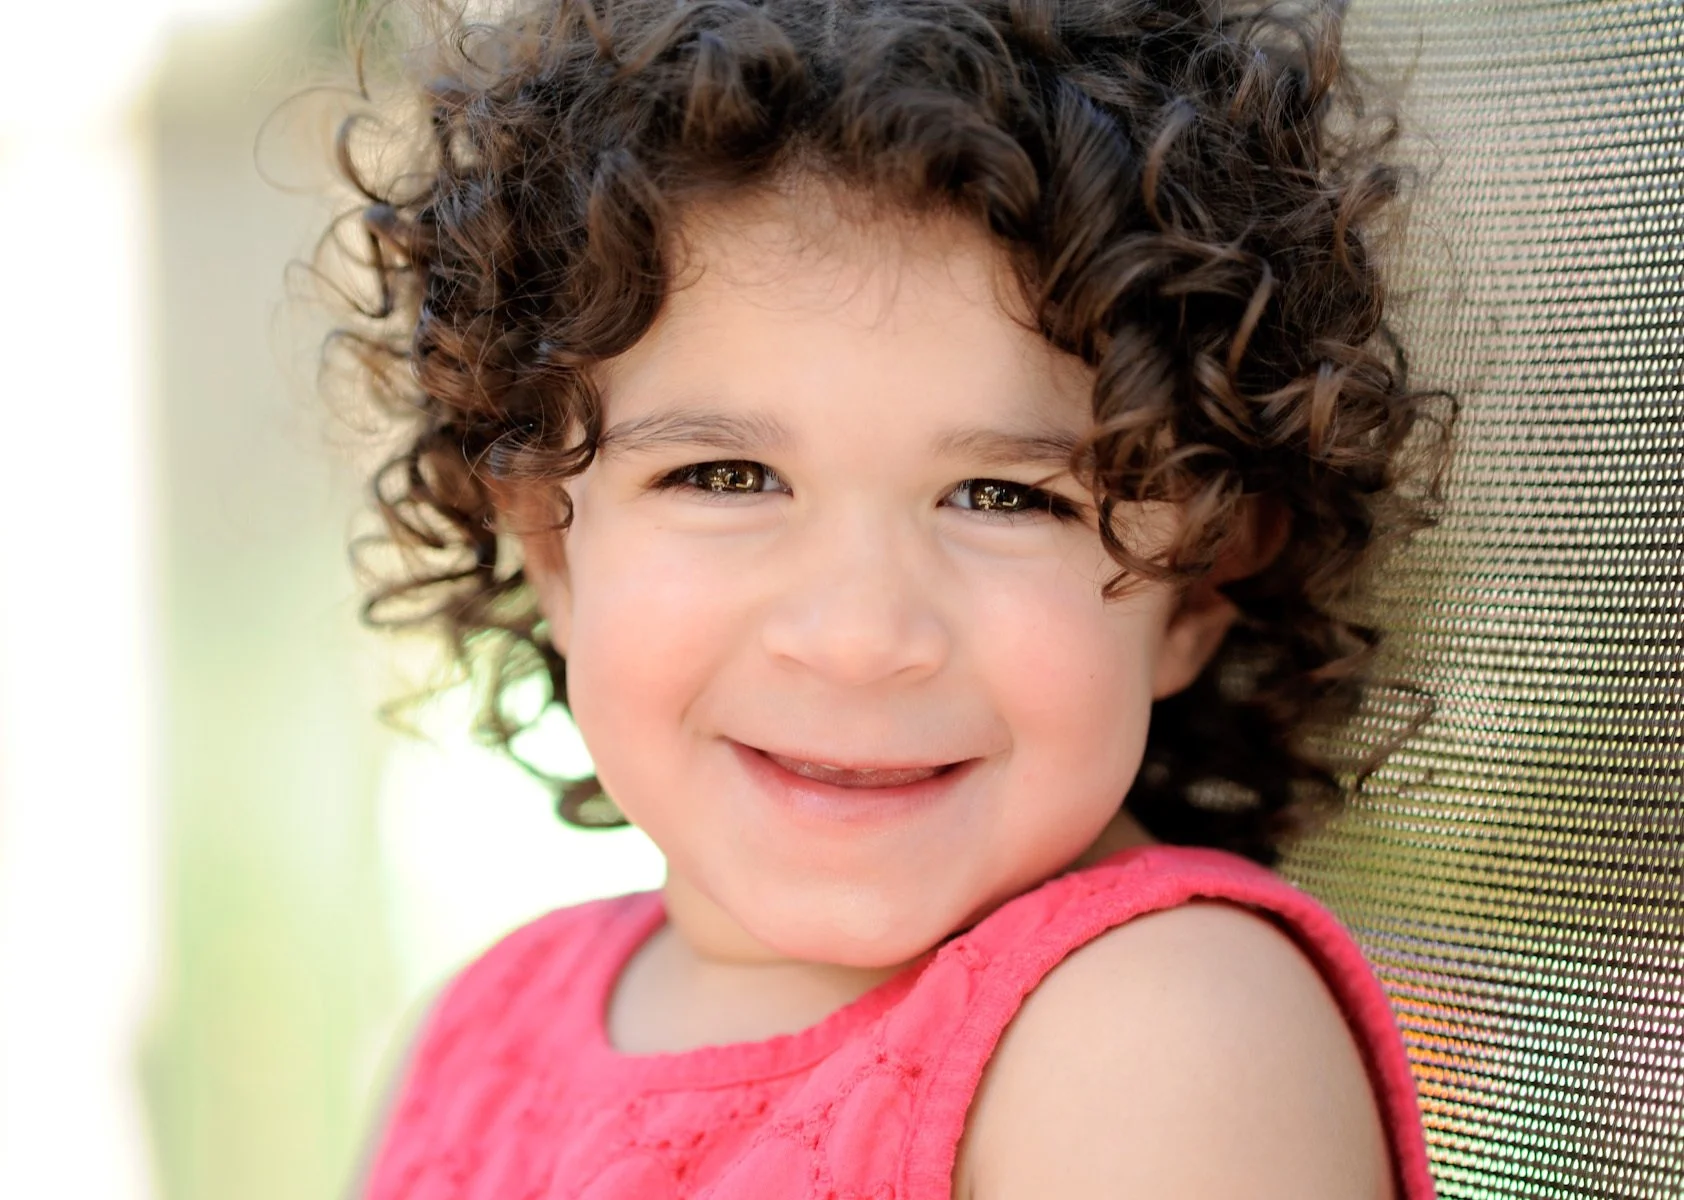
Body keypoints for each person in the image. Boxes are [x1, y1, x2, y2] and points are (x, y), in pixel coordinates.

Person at [322, 0, 1454, 1195]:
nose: (859, 639)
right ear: (550, 550)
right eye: (725, 477)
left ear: (1193, 591)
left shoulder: (1161, 1027)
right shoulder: (478, 1031)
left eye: (1005, 498)